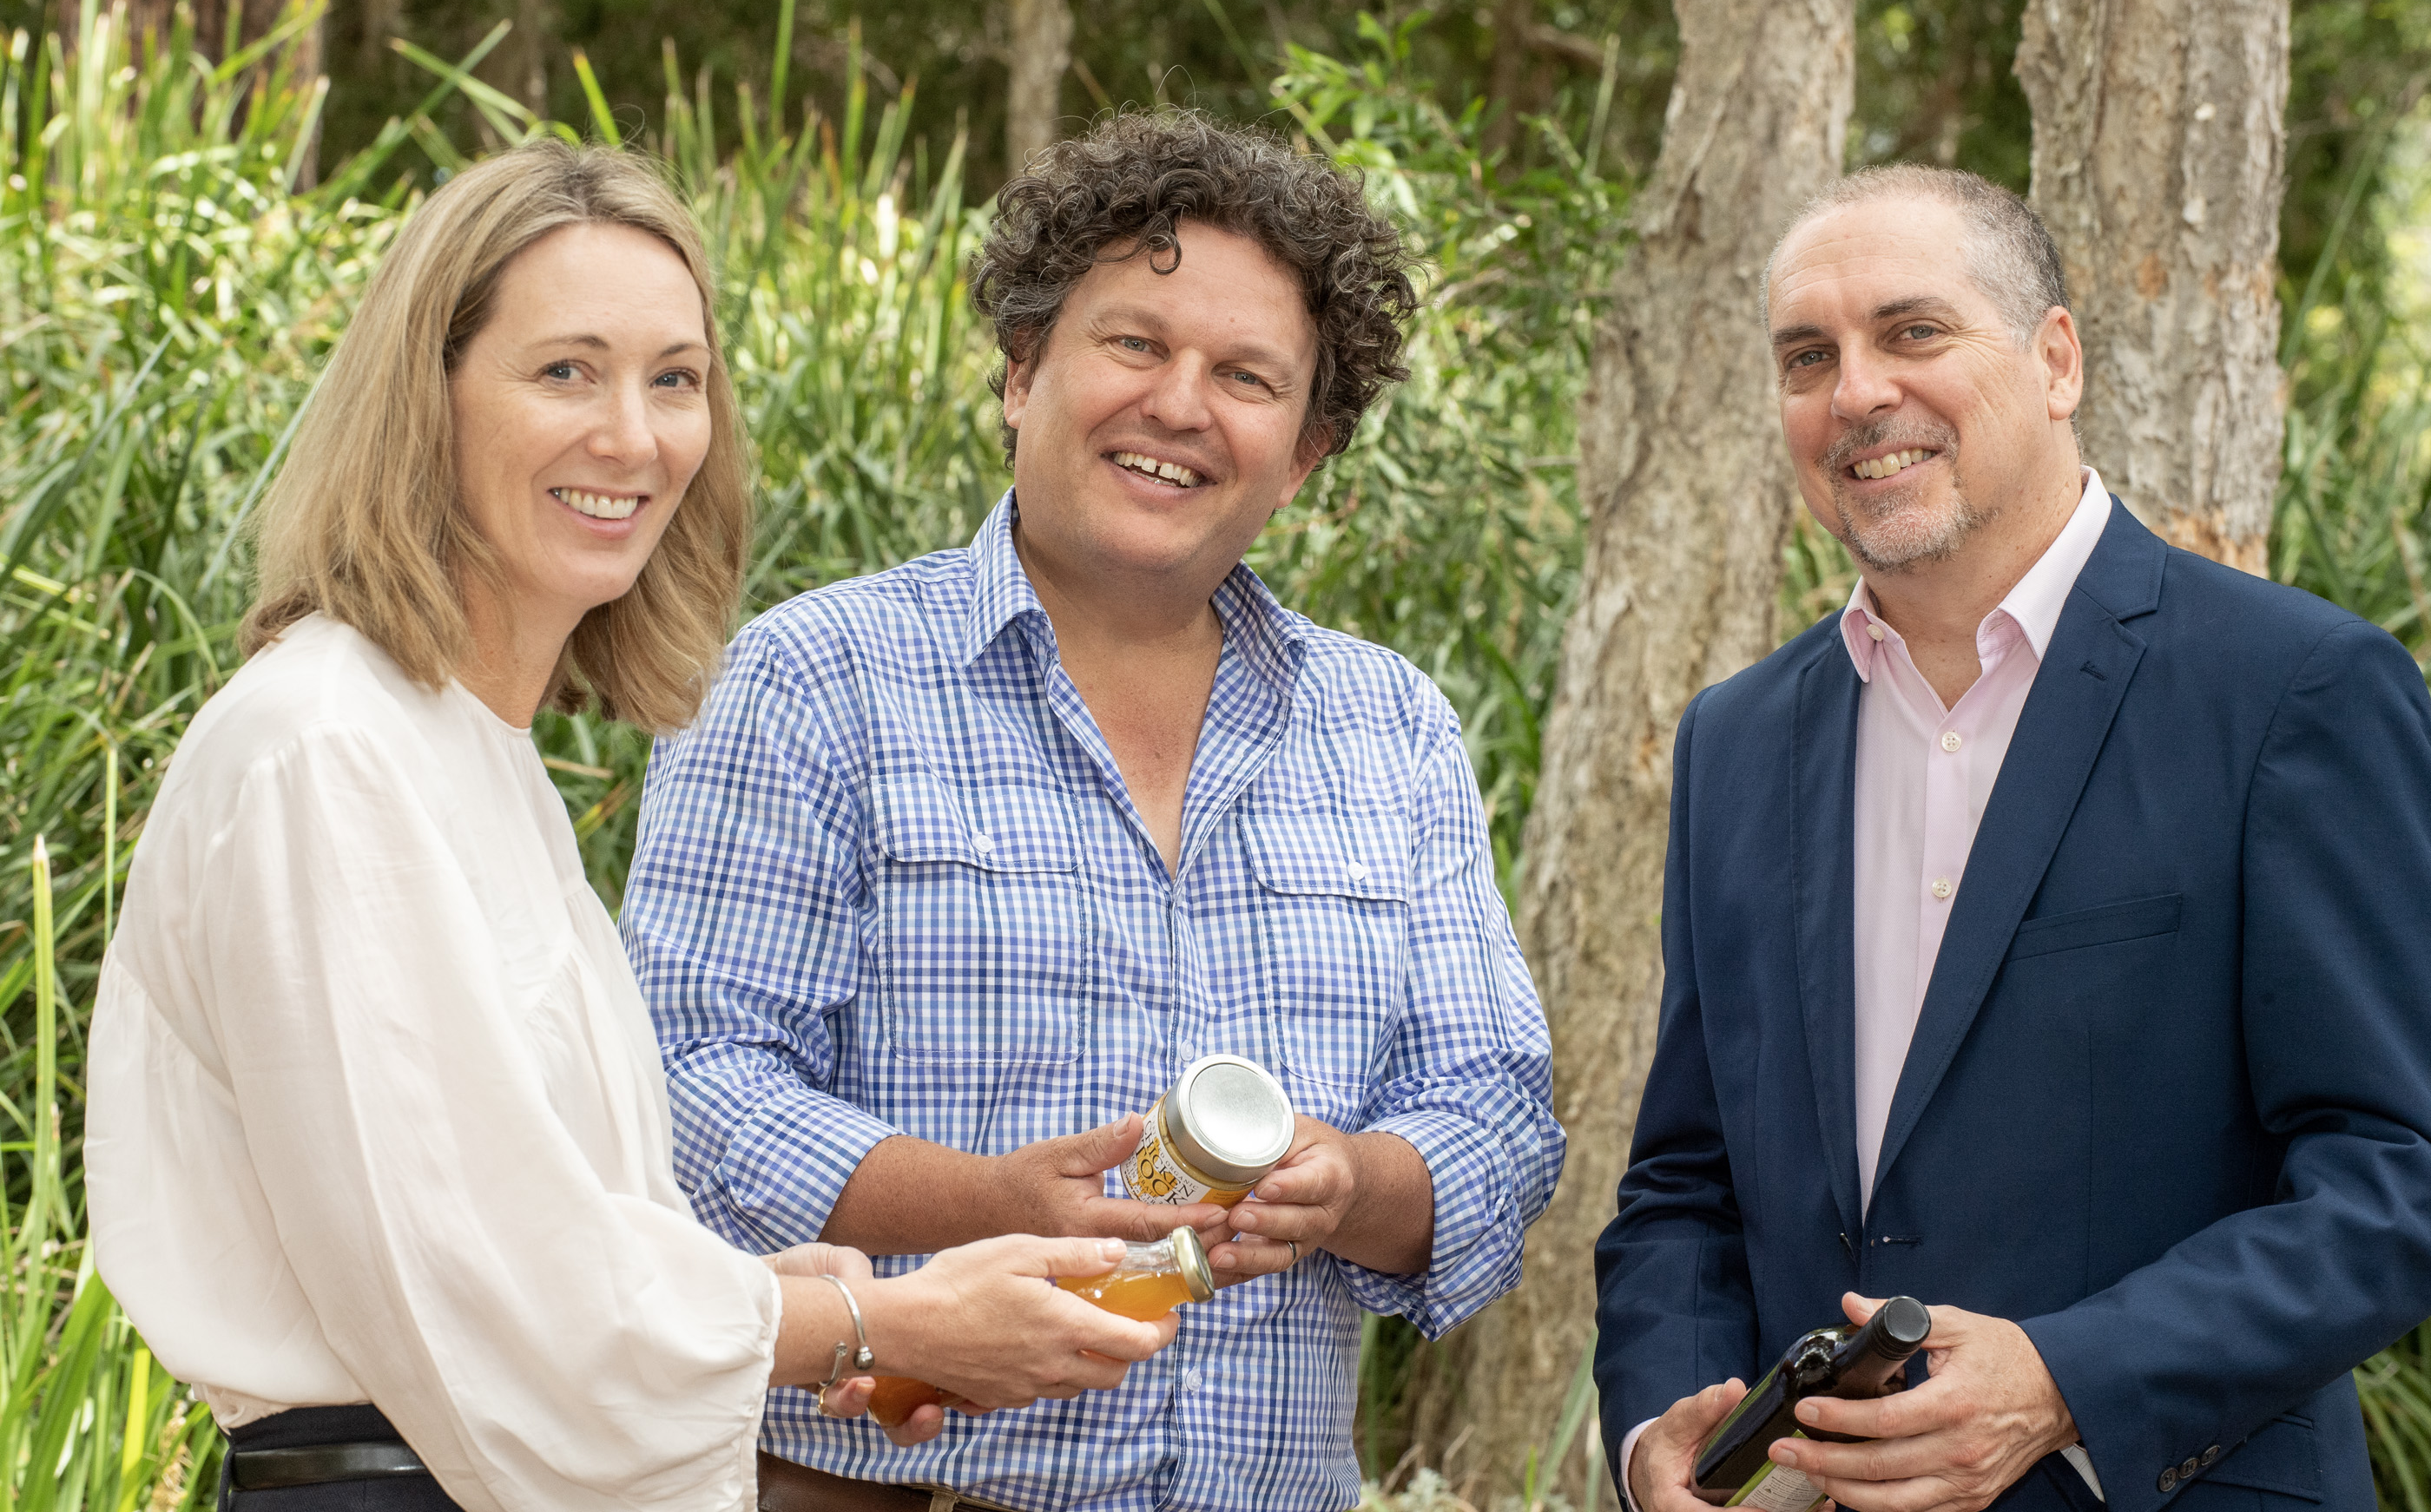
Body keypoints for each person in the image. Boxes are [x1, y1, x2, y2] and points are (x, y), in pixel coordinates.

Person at [85, 141, 1177, 1512]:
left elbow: (525, 1227)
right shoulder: (324, 746)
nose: (635, 436)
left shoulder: (473, 753)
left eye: (675, 380)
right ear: (426, 395)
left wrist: (763, 1299)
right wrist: (882, 1325)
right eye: (565, 371)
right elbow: (473, 1279)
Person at [621, 110, 1567, 1512]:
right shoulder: (814, 682)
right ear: (1021, 373)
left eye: (1246, 376)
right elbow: (682, 1083)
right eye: (1135, 343)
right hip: (884, 1487)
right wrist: (986, 1202)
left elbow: (1498, 1110)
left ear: (1303, 454)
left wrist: (1356, 1186)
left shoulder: (1393, 730)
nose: (1181, 404)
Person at [1596, 162, 2431, 1512]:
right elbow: (1685, 1186)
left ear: (2056, 361)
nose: (1857, 391)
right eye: (1810, 356)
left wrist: (2067, 1378)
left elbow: (2399, 1176)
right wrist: (1661, 1439)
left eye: (1913, 332)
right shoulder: (1736, 740)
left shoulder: (2295, 692)